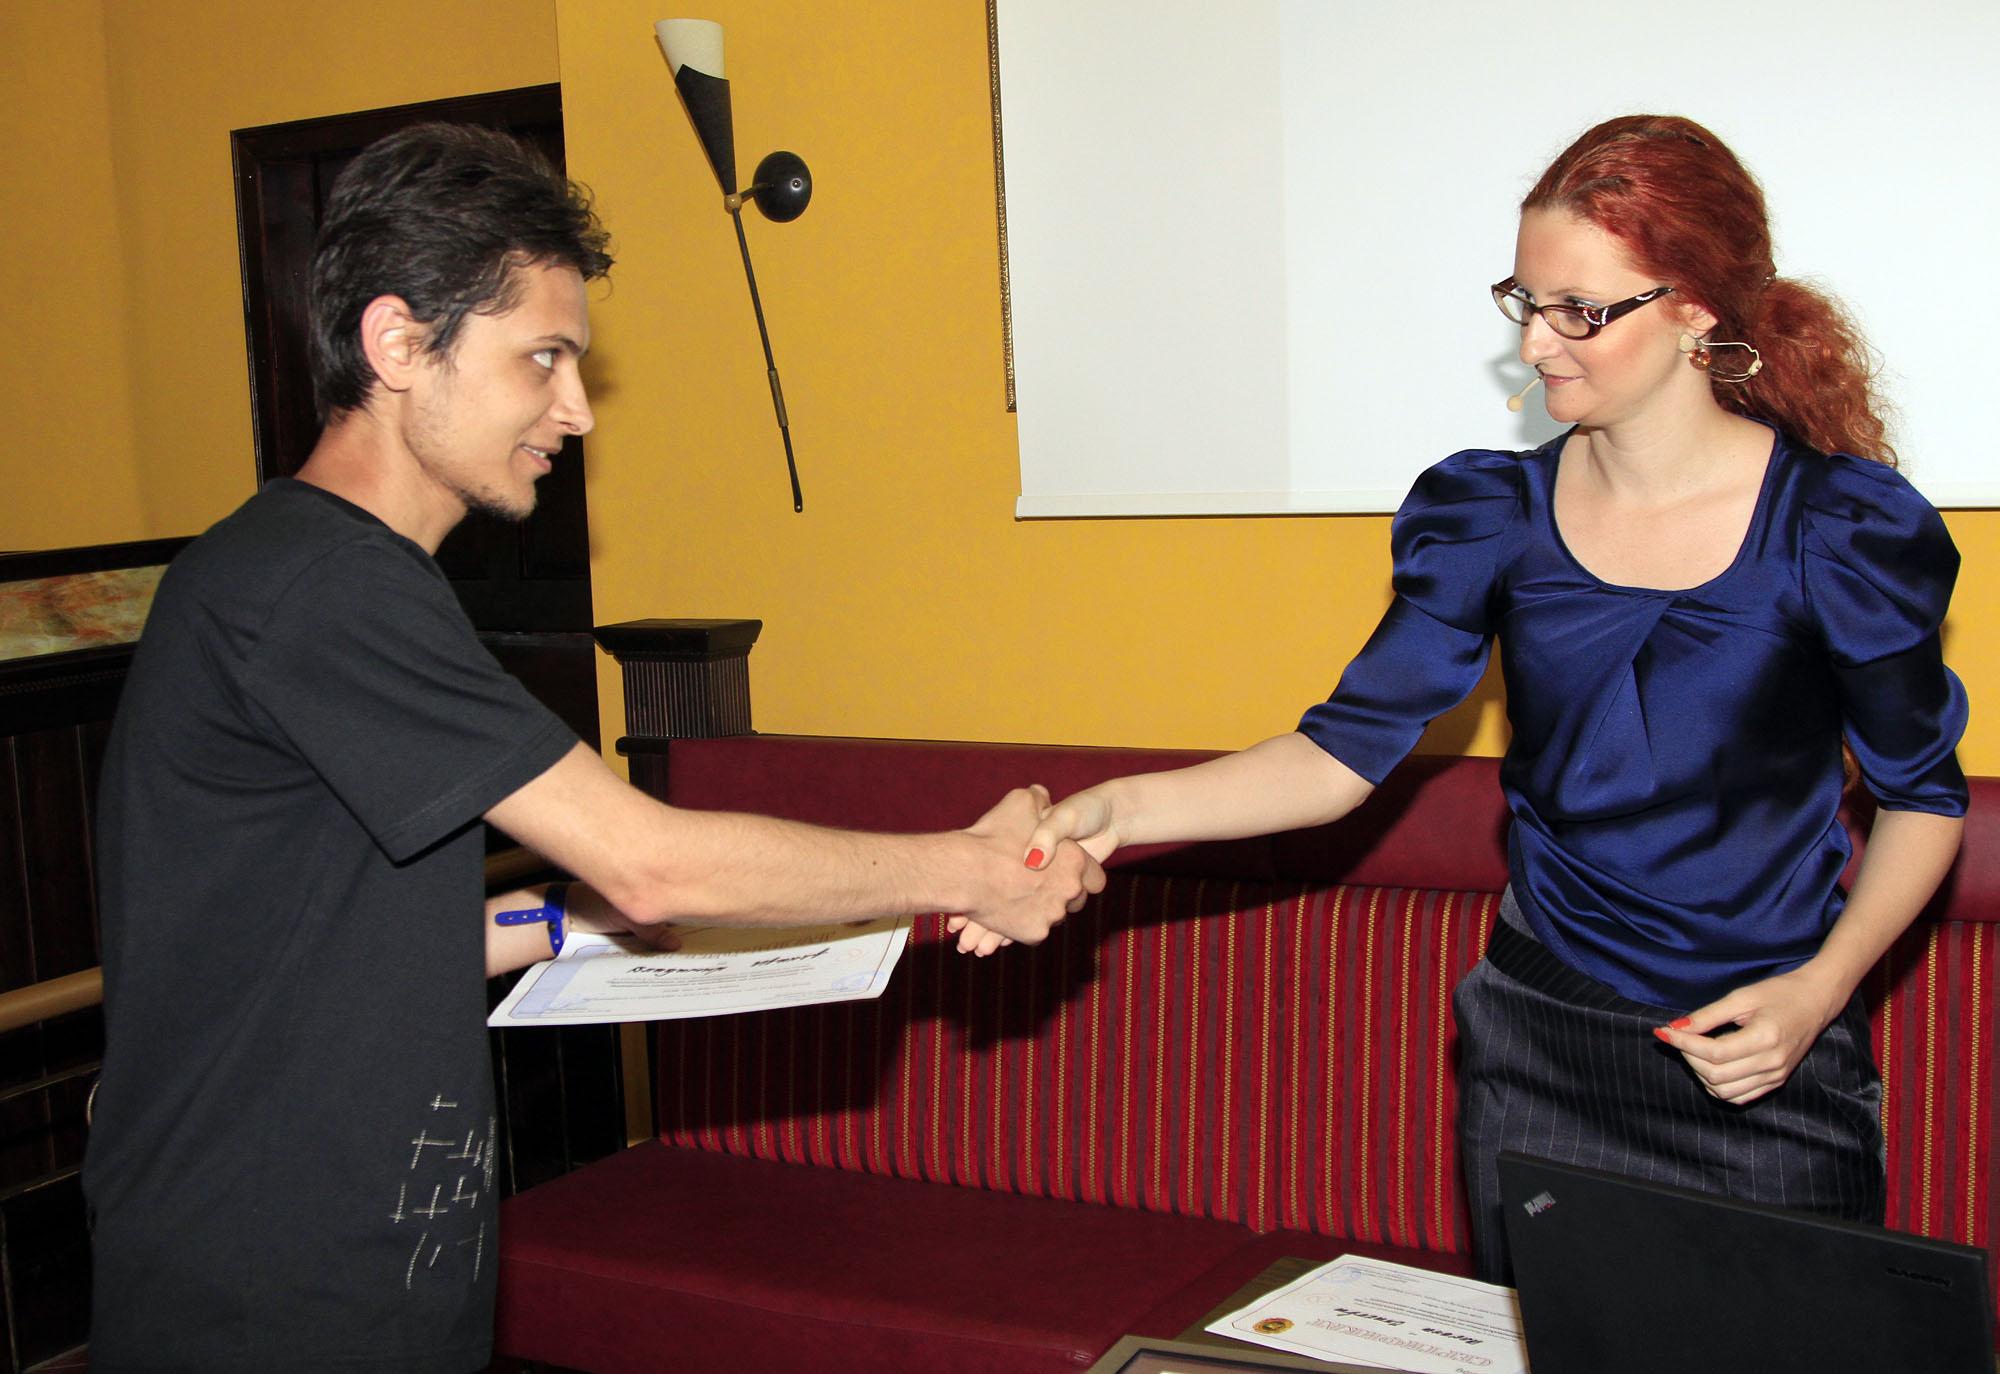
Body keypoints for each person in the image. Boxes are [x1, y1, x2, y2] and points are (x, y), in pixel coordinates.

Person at [84, 122, 1102, 1372]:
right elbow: (652, 861)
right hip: (265, 1291)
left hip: (366, 1267)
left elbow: (345, 936)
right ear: (398, 346)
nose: (573, 410)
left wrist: (571, 926)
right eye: (542, 358)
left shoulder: (330, 579)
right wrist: (970, 870)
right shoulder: (321, 587)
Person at [967, 113, 1967, 1283]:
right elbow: (1336, 756)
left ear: (1695, 310)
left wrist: (1817, 992)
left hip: (1763, 1052)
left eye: (1579, 311)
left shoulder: (1836, 530)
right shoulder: (1488, 516)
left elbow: (1921, 800)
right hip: (1540, 1048)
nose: (1536, 343)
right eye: (1524, 303)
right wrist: (1116, 810)